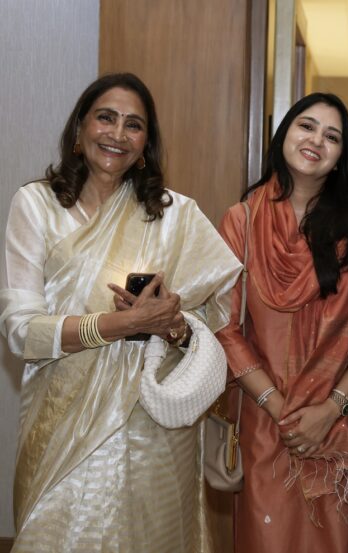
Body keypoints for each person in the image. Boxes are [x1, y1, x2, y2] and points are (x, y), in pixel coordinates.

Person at [0, 73, 242, 552]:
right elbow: (20, 332)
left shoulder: (176, 214)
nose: (117, 133)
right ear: (79, 128)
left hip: (153, 430)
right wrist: (122, 324)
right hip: (61, 422)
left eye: (134, 125)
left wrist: (174, 326)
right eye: (105, 118)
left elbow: (219, 319)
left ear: (146, 143)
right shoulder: (37, 205)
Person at [216, 92, 348, 553]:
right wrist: (277, 408)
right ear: (284, 132)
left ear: (341, 156)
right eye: (307, 126)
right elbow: (224, 326)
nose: (316, 141)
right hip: (265, 424)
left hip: (338, 425)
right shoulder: (241, 221)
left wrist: (330, 410)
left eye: (332, 136)